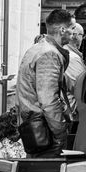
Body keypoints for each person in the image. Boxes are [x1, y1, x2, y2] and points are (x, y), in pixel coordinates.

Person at [16, 8, 75, 157]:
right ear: (62, 30)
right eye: (72, 29)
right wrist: (60, 130)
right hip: (45, 132)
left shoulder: (36, 49)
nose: (73, 34)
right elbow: (48, 100)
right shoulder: (49, 54)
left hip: (36, 128)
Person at [63, 22, 86, 119]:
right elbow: (79, 86)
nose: (83, 39)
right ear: (75, 36)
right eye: (82, 35)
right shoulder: (72, 57)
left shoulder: (69, 53)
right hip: (71, 111)